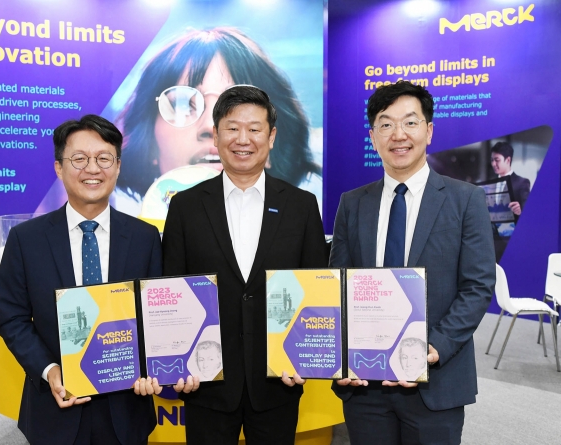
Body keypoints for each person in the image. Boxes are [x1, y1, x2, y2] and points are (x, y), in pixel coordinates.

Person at [330, 81, 495, 444]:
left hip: (436, 380)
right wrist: (338, 356)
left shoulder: (465, 199)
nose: (398, 135)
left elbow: (478, 284)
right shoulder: (353, 203)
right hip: (365, 385)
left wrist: (433, 346)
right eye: (386, 124)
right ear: (373, 137)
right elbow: (336, 288)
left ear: (429, 131)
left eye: (410, 122)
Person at [162, 85, 327, 444]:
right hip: (207, 383)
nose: (243, 139)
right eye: (233, 128)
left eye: (254, 129)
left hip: (277, 381)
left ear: (272, 136)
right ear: (217, 133)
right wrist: (177, 362)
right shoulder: (185, 208)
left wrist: (307, 357)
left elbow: (317, 289)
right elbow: (171, 290)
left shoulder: (302, 206)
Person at [0, 115, 163, 445]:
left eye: (104, 158)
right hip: (54, 409)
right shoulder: (25, 239)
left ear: (117, 167)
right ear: (59, 167)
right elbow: (13, 319)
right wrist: (49, 370)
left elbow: (156, 314)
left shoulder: (146, 238)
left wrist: (154, 366)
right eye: (79, 159)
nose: (92, 169)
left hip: (127, 408)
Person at [115, 27, 321, 206]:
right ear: (149, 143)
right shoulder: (127, 244)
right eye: (183, 105)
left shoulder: (304, 225)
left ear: (272, 140)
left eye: (237, 105)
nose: (211, 127)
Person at [490, 141, 531, 218]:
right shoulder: (491, 183)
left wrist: (520, 210)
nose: (493, 164)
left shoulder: (522, 182)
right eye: (492, 160)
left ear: (508, 160)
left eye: (497, 160)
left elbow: (529, 211)